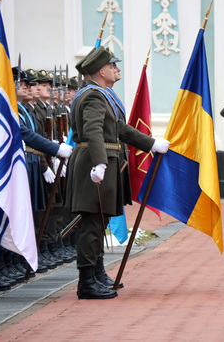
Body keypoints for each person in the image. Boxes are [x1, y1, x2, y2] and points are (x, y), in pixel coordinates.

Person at [66, 47, 169, 299]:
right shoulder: (93, 96)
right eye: (113, 66)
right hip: (95, 164)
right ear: (102, 71)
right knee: (92, 222)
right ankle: (87, 282)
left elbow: (119, 128)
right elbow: (93, 131)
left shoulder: (100, 95)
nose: (117, 69)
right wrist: (100, 163)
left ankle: (97, 273)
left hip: (102, 163)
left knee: (99, 222)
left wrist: (150, 143)